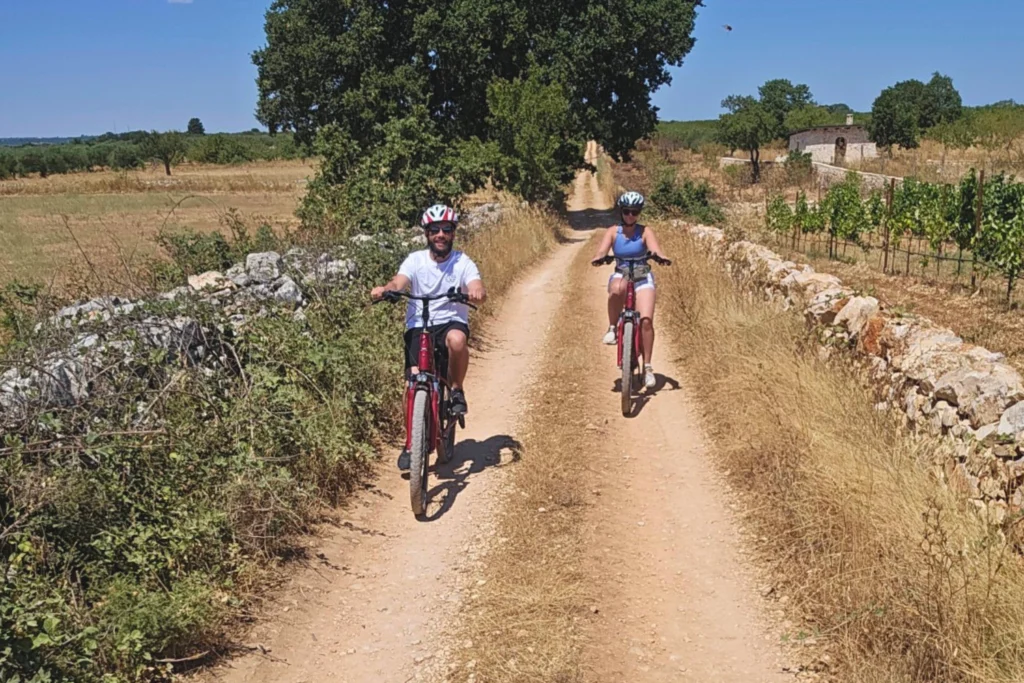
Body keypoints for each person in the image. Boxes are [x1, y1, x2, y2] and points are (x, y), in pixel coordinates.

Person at [371, 204, 486, 470]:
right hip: (419, 324)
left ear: (453, 233)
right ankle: (411, 442)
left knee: (457, 340)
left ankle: (456, 391)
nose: (441, 235)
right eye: (435, 230)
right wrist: (387, 290)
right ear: (427, 233)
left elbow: (476, 285)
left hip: (450, 321)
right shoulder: (415, 260)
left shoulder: (462, 262)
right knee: (412, 381)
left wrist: (476, 292)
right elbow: (399, 281)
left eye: (446, 229)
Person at [591, 191, 669, 390]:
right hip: (622, 272)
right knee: (617, 289)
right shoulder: (613, 231)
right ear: (621, 212)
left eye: (634, 212)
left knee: (646, 321)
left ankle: (648, 367)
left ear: (639, 213)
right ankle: (611, 328)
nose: (630, 216)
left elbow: (655, 248)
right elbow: (602, 250)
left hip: (642, 275)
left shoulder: (645, 231)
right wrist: (599, 257)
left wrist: (660, 256)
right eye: (626, 211)